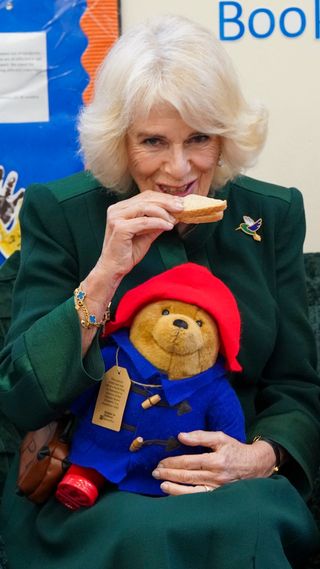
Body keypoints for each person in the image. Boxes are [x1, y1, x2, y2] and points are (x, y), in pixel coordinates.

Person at [0, 14, 319, 569]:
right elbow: (20, 395)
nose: (180, 168)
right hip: (99, 482)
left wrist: (260, 455)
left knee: (248, 524)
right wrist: (103, 275)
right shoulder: (63, 212)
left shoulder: (271, 214)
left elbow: (296, 384)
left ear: (226, 136)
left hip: (234, 482)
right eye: (153, 142)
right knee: (143, 540)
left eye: (199, 138)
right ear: (120, 143)